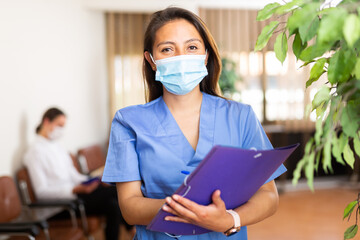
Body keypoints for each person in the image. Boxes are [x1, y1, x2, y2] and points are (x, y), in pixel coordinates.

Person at [102, 7, 286, 240]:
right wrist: (190, 211)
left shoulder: (240, 116)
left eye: (191, 47)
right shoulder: (128, 122)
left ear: (205, 55)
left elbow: (269, 196)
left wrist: (229, 219)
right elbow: (129, 207)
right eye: (167, 49)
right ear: (151, 60)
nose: (181, 57)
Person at [23, 107, 132, 240]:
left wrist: (94, 179)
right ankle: (132, 230)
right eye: (59, 125)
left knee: (115, 190)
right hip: (60, 207)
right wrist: (74, 189)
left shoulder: (57, 147)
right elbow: (41, 192)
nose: (61, 130)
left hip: (75, 195)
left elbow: (74, 176)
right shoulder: (34, 152)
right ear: (46, 122)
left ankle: (132, 230)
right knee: (113, 203)